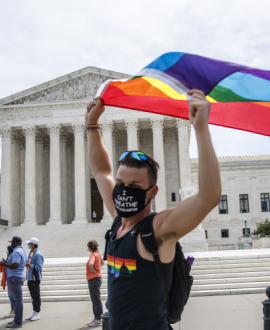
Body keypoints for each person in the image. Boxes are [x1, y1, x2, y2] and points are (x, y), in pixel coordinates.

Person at [85, 90, 221, 329]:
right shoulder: (118, 221)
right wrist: (92, 125)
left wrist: (201, 129)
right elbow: (100, 170)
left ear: (152, 192)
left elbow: (208, 197)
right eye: (121, 184)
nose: (124, 191)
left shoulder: (157, 230)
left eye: (134, 186)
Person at [0, 236, 27, 328]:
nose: (11, 244)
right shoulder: (22, 251)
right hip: (17, 277)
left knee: (17, 300)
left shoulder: (16, 252)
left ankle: (18, 322)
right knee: (16, 300)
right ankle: (16, 320)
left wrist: (4, 264)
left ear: (15, 243)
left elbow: (15, 265)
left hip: (14, 277)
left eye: (12, 242)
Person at [25, 237, 44, 322]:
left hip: (35, 278)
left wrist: (30, 265)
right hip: (30, 278)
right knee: (33, 296)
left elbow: (39, 267)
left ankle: (37, 312)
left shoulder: (38, 254)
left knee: (36, 296)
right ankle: (34, 311)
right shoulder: (31, 253)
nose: (28, 245)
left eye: (29, 243)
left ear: (33, 244)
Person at [86, 240, 104, 327]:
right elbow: (103, 262)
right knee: (95, 300)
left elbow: (91, 263)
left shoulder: (93, 255)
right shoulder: (98, 254)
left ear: (89, 248)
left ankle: (98, 319)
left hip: (93, 279)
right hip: (96, 278)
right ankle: (96, 318)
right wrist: (98, 269)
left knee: (96, 300)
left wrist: (93, 270)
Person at [0, 245, 16, 319]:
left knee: (12, 295)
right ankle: (13, 309)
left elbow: (13, 265)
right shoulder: (10, 256)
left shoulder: (13, 255)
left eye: (7, 250)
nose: (7, 251)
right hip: (9, 277)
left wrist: (5, 263)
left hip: (12, 277)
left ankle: (13, 310)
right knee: (11, 295)